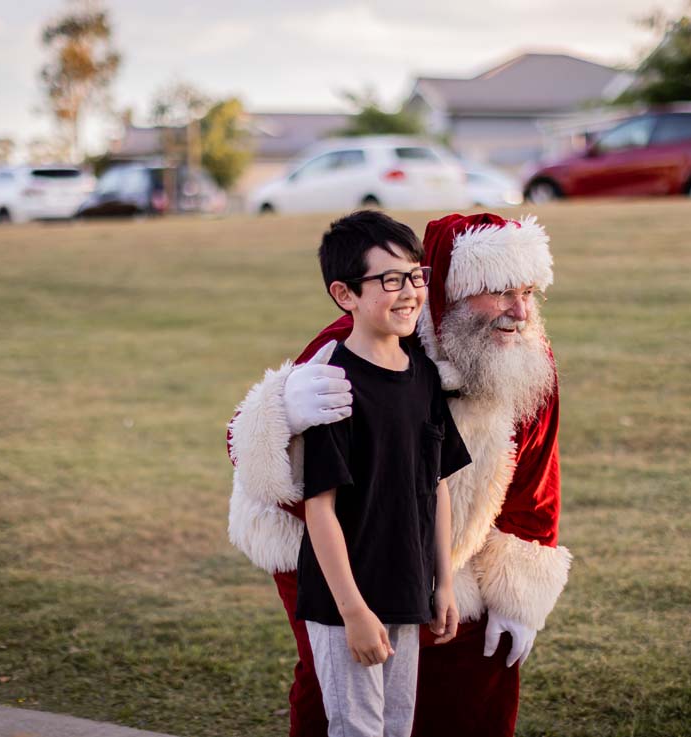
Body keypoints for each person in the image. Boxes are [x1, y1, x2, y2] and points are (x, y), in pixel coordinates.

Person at [228, 212, 572, 737]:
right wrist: (281, 413)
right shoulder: (359, 345)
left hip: (429, 554)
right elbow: (252, 450)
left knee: (461, 694)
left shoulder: (527, 356)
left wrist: (517, 593)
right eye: (500, 292)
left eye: (528, 292)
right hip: (332, 553)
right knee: (338, 705)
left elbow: (532, 473)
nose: (520, 312)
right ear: (454, 291)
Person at [295, 210, 471, 737]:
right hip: (345, 601)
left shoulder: (423, 374)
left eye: (415, 275)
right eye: (390, 280)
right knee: (358, 729)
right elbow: (319, 508)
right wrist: (353, 611)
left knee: (396, 728)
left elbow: (436, 484)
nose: (410, 292)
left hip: (406, 588)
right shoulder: (331, 386)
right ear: (345, 294)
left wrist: (443, 581)